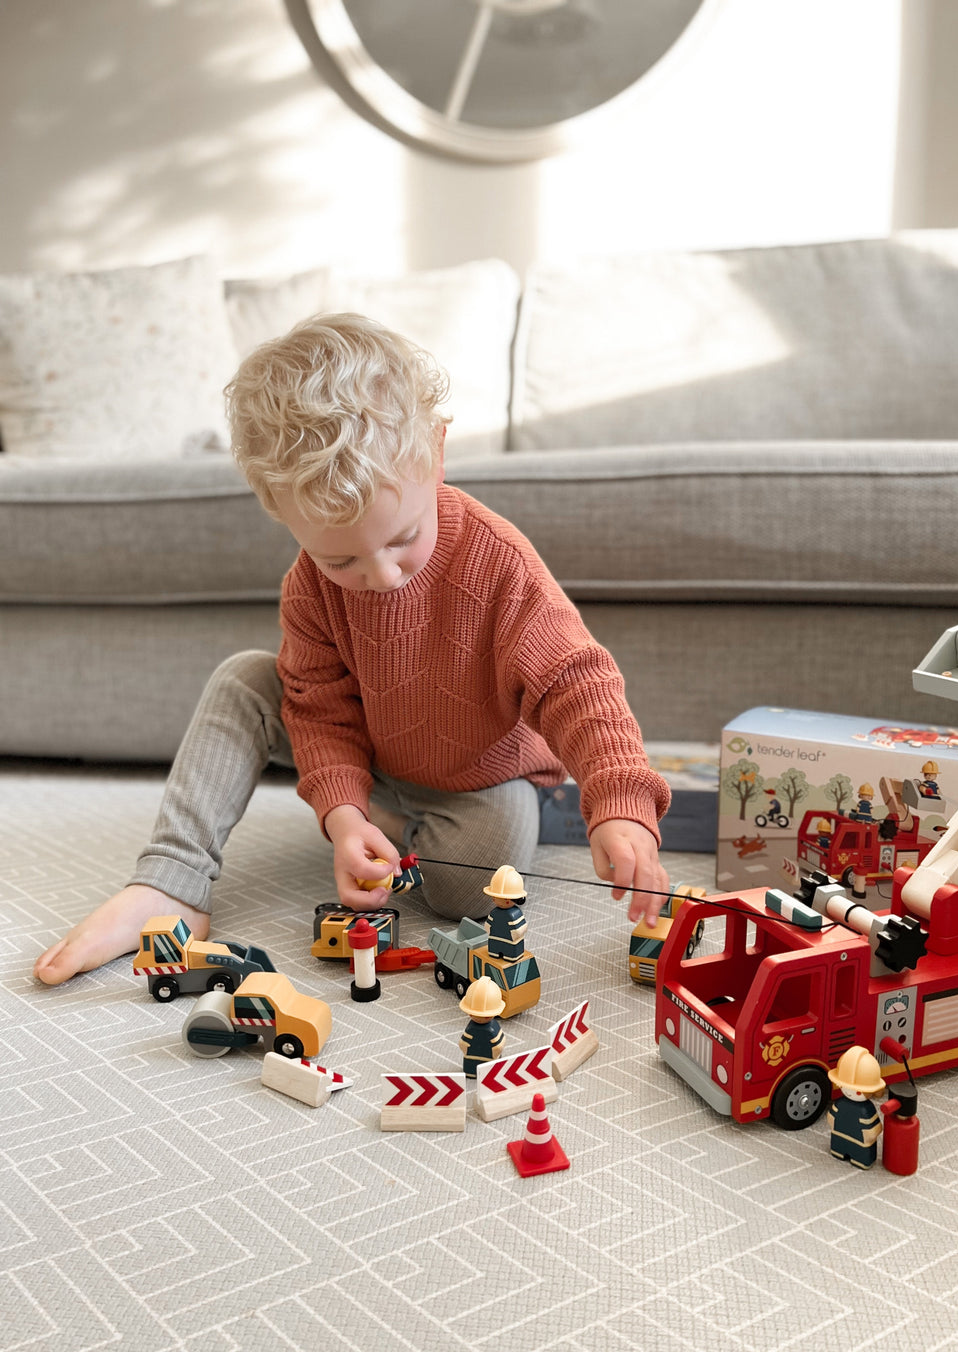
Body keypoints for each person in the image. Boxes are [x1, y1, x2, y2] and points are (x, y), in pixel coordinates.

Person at [34, 314, 671, 986]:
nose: (382, 574)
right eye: (342, 558)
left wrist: (620, 802)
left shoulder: (499, 565)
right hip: (368, 749)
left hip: (477, 776)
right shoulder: (309, 588)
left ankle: (393, 829)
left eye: (402, 538)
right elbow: (318, 707)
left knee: (485, 880)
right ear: (282, 514)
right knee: (244, 678)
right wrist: (343, 813)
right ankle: (173, 880)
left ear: (438, 450)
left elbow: (579, 685)